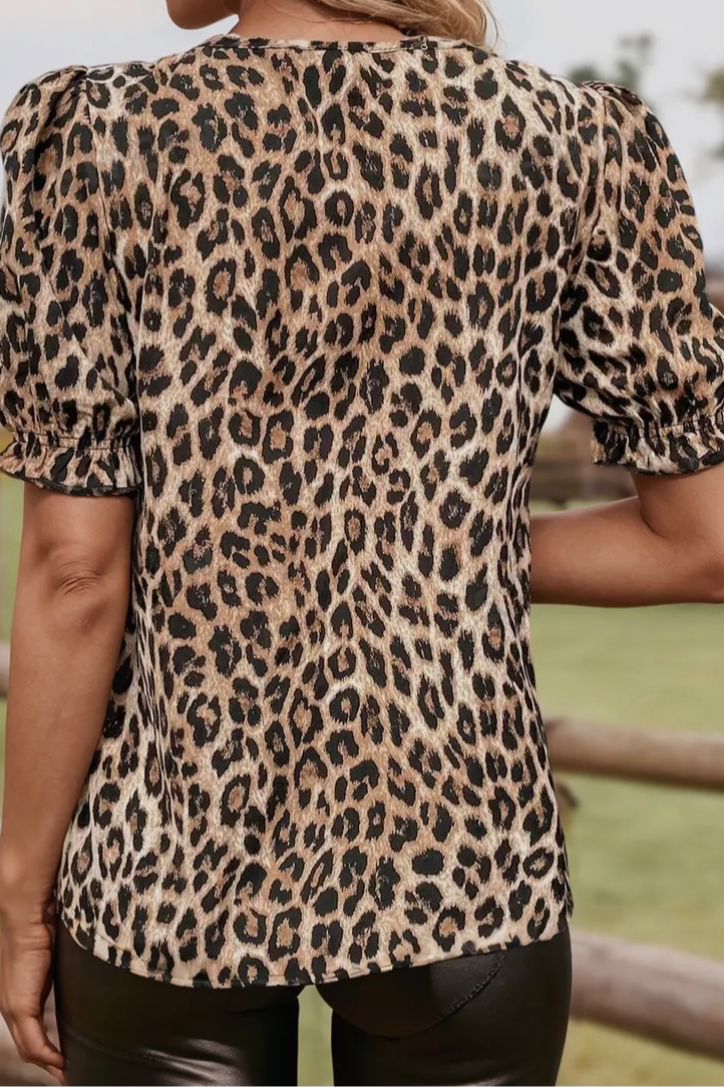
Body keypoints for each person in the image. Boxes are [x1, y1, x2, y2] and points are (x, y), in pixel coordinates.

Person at [0, 0, 722, 1084]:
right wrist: (426, 540)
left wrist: (19, 891)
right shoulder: (570, 140)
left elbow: (75, 570)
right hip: (464, 863)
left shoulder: (99, 137)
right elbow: (702, 543)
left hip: (165, 865)